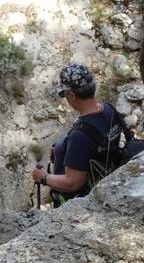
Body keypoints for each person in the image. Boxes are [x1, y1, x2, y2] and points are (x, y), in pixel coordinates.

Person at [30, 63, 133, 203]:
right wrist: (63, 148)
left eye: (64, 94)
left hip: (82, 199)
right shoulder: (108, 109)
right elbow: (95, 146)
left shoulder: (80, 136)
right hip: (107, 175)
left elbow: (72, 183)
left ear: (72, 94)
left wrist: (43, 177)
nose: (65, 98)